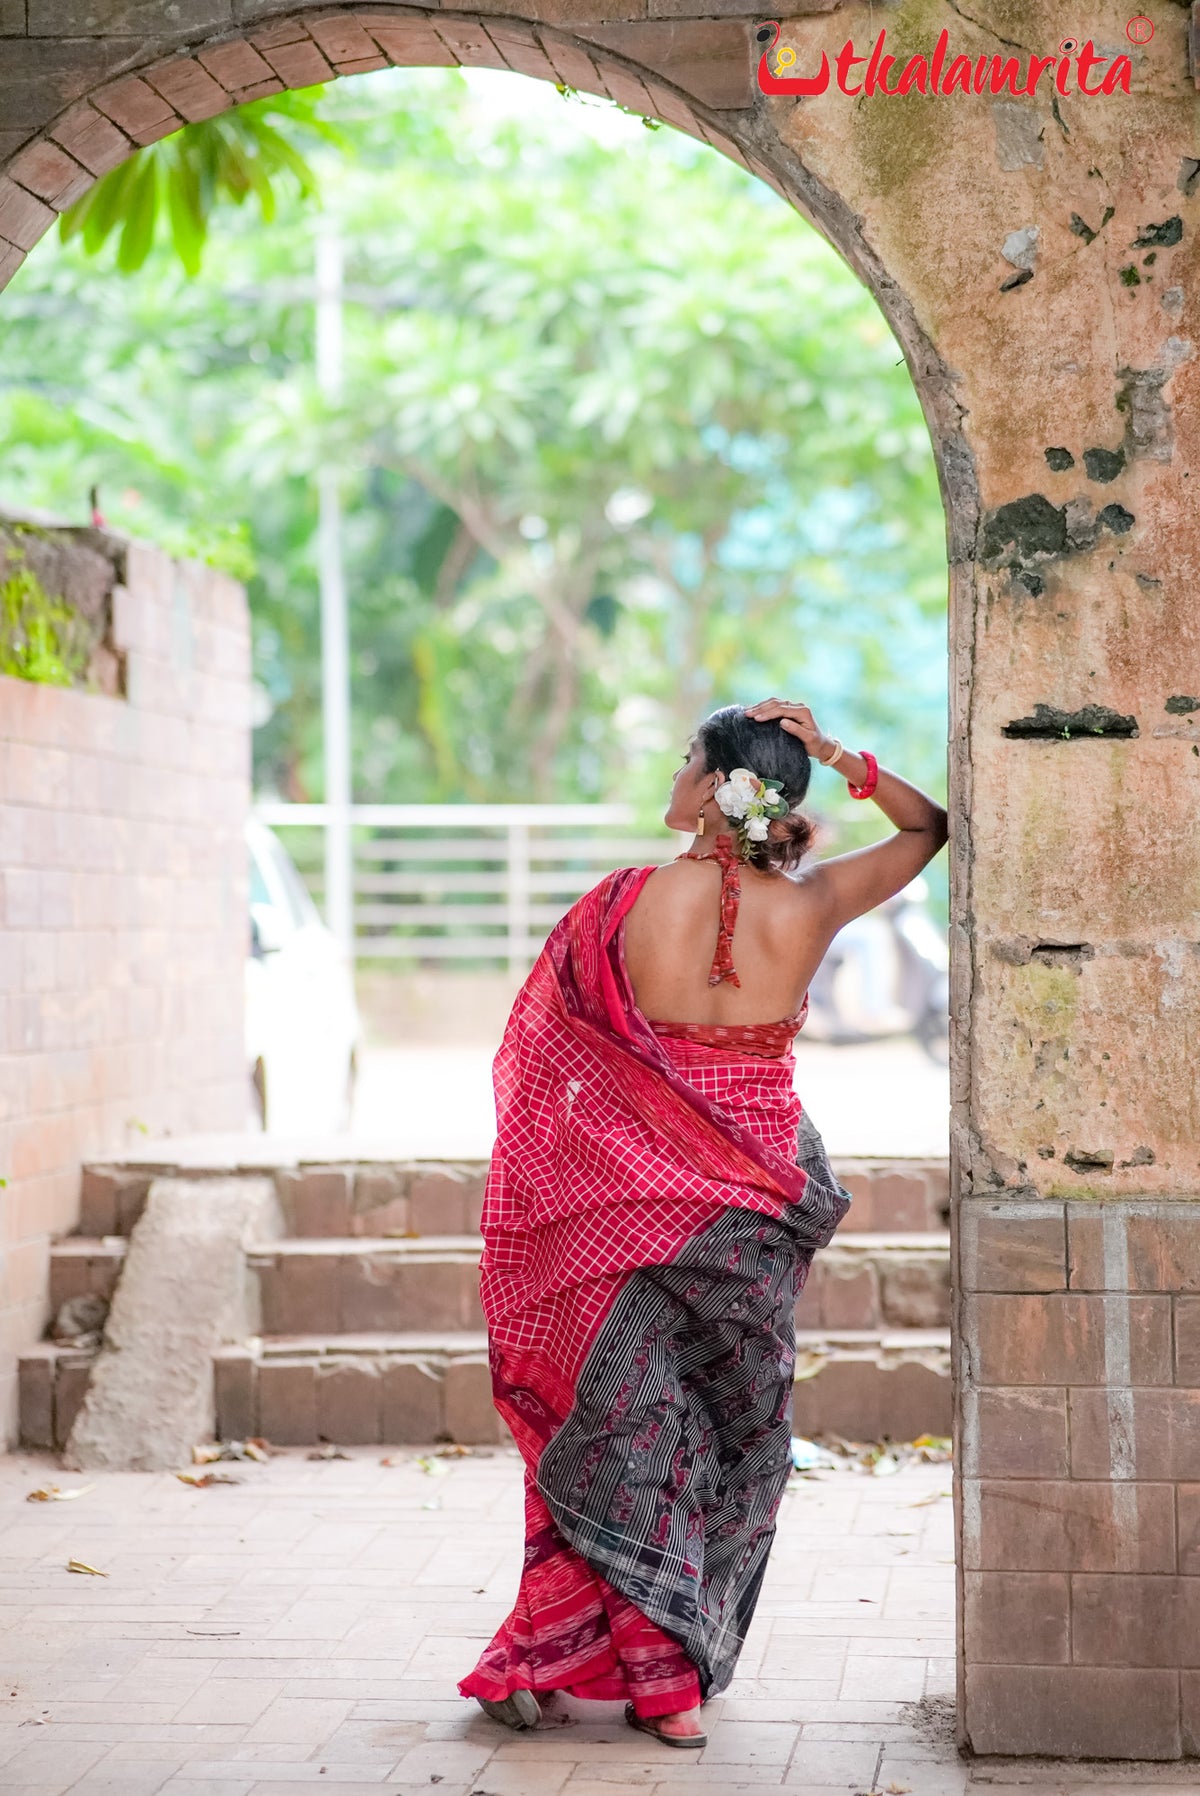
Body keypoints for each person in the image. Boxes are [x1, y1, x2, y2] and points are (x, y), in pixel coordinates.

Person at [458, 696, 948, 1748]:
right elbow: (927, 828)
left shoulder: (618, 903)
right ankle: (663, 1680)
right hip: (750, 1214)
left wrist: (562, 1188)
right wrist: (835, 755)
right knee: (724, 1436)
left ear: (713, 789)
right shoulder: (812, 905)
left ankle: (584, 1659)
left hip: (615, 1217)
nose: (674, 771)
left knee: (618, 1426)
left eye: (689, 758)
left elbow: (546, 1061)